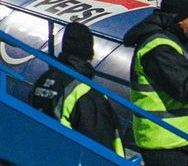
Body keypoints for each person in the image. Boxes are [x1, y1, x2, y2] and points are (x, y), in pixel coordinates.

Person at [123, 0, 188, 166]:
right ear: (179, 18)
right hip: (165, 141)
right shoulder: (159, 47)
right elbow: (187, 90)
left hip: (179, 138)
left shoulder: (173, 38)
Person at [28, 21, 124, 155]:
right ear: (89, 52)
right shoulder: (86, 93)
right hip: (66, 162)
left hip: (40, 153)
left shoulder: (44, 79)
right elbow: (101, 147)